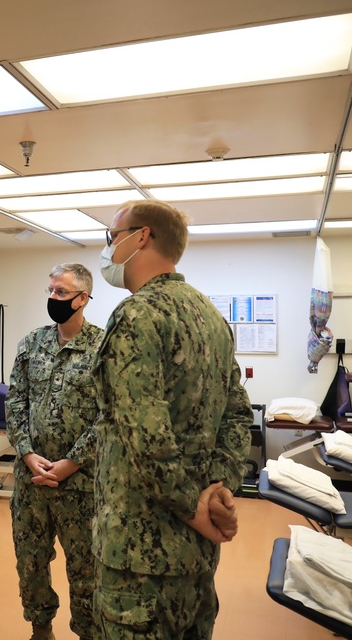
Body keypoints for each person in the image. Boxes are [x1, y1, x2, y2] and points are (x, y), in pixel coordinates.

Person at [92, 199, 253, 640]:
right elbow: (238, 416)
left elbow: (146, 441)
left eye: (111, 237)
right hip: (196, 558)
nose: (107, 249)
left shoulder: (136, 316)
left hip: (140, 556)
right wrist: (220, 490)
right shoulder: (211, 317)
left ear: (140, 236)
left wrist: (196, 510)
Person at [5, 263, 103, 640]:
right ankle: (40, 629)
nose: (53, 298)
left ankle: (87, 632)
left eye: (61, 293)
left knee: (86, 569)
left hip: (81, 487)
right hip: (31, 482)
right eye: (50, 291)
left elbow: (108, 415)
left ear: (82, 298)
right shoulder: (32, 344)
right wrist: (28, 453)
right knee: (30, 563)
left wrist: (72, 462)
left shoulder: (103, 346)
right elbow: (15, 400)